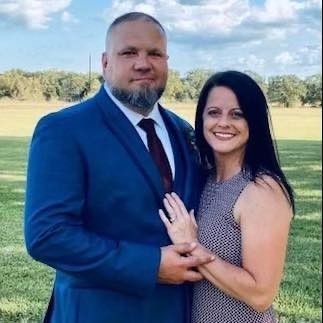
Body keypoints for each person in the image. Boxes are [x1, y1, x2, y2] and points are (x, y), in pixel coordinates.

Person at [24, 12, 214, 323]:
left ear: (167, 61)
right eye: (128, 53)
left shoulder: (185, 132)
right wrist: (150, 265)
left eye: (154, 53)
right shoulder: (64, 130)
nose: (143, 63)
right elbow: (48, 235)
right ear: (105, 62)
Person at [159, 71, 294, 322]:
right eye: (214, 113)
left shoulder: (261, 190)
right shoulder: (204, 178)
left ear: (253, 121)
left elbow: (260, 294)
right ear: (201, 119)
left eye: (237, 114)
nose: (223, 123)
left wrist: (193, 247)